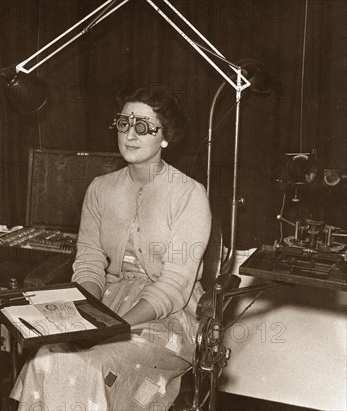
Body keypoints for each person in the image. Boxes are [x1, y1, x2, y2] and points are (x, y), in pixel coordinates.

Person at [11, 86, 211, 410]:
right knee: (44, 359)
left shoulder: (189, 194)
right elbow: (89, 264)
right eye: (123, 124)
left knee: (88, 367)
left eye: (143, 126)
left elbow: (174, 287)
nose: (130, 134)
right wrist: (83, 317)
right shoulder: (100, 189)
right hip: (107, 307)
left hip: (168, 319)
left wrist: (116, 329)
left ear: (166, 136)